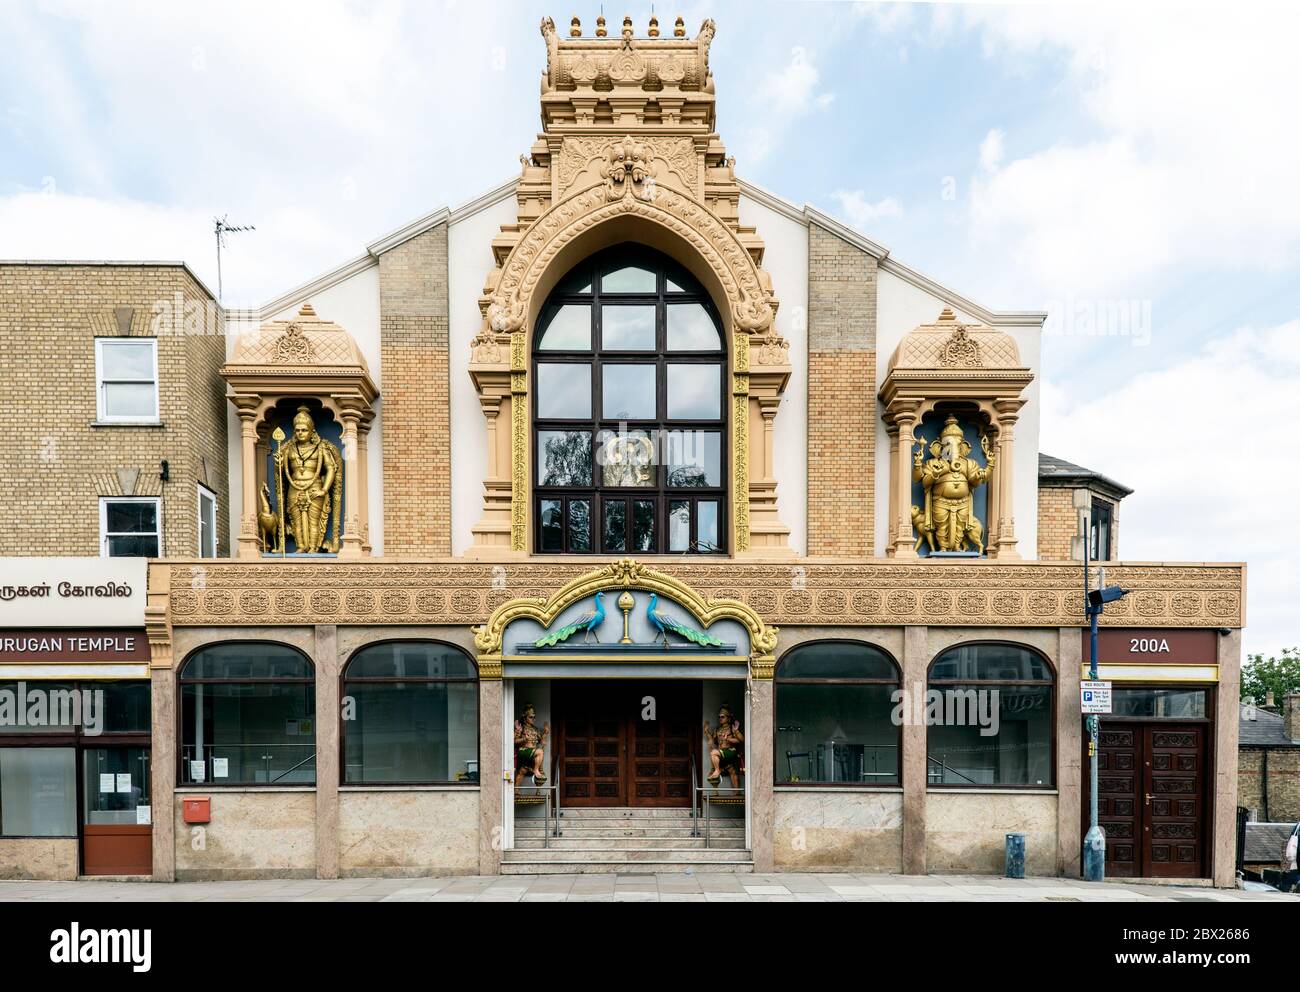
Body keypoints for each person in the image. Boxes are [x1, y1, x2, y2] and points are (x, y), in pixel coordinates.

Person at [704, 704, 743, 788]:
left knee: (714, 753)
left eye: (723, 717)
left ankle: (717, 770)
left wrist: (730, 738)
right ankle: (736, 793)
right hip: (722, 753)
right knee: (731, 771)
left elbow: (741, 740)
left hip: (730, 751)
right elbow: (713, 740)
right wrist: (706, 731)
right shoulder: (718, 729)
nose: (720, 719)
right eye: (719, 717)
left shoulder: (732, 728)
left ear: (728, 718)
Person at [514, 703, 549, 785]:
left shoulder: (535, 729)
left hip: (532, 753)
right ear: (525, 717)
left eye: (534, 717)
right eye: (531, 717)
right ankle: (536, 770)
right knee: (540, 751)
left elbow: (541, 741)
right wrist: (523, 739)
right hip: (524, 751)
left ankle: (516, 791)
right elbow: (514, 741)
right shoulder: (521, 728)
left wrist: (546, 732)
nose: (533, 719)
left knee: (523, 771)